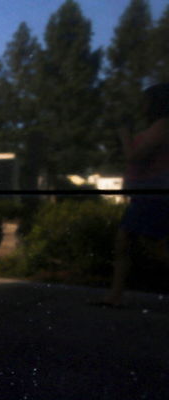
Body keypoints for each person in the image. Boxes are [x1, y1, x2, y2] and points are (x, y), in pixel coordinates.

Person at [100, 83, 169, 307]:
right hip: (145, 195)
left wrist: (124, 137)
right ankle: (115, 296)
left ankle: (115, 296)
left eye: (146, 101)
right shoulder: (157, 126)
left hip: (153, 196)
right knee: (130, 243)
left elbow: (135, 157)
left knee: (135, 243)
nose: (142, 106)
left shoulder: (163, 126)